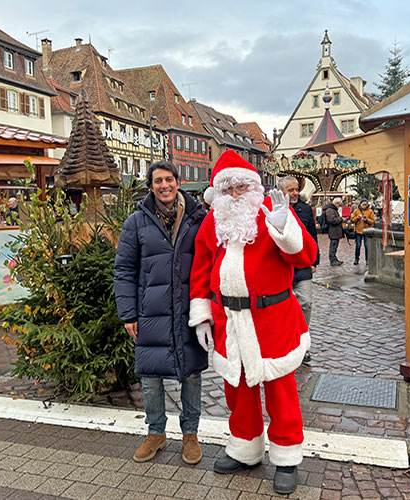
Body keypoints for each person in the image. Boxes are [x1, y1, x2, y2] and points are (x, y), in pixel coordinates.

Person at [188, 150, 318, 495]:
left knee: (280, 391)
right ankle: (245, 449)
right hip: (228, 320)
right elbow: (200, 268)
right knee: (237, 389)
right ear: (217, 192)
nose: (234, 194)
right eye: (228, 188)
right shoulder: (211, 222)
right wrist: (201, 315)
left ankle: (286, 458)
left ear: (253, 188)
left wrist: (284, 225)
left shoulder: (270, 215)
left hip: (271, 319)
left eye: (241, 186)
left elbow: (306, 256)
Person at [114, 160, 208, 465]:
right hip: (150, 311)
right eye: (158, 181)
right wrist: (129, 313)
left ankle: (190, 434)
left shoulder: (198, 219)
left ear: (178, 182)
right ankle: (156, 432)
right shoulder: (136, 222)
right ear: (151, 186)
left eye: (169, 180)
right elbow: (124, 270)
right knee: (150, 377)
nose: (164, 186)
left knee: (191, 375)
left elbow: (211, 262)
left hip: (188, 310)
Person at [278, 176, 319, 365]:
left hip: (302, 265)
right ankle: (286, 344)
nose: (295, 193)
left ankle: (303, 345)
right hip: (280, 266)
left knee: (306, 303)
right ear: (281, 192)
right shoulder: (273, 210)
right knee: (282, 307)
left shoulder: (304, 210)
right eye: (290, 190)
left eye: (296, 190)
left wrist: (314, 260)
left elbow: (312, 235)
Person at [350, 198, 376, 265]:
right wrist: (357, 218)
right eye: (363, 205)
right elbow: (352, 220)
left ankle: (367, 259)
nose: (364, 206)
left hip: (367, 231)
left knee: (367, 246)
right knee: (358, 246)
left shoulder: (370, 211)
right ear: (360, 205)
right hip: (358, 230)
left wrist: (367, 220)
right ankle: (356, 259)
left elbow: (373, 221)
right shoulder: (356, 211)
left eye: (365, 205)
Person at [322, 197, 344, 266]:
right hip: (333, 231)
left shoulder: (332, 209)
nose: (339, 206)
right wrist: (341, 219)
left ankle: (334, 259)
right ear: (336, 203)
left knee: (335, 246)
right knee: (333, 246)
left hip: (335, 231)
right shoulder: (330, 210)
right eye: (339, 205)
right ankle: (332, 260)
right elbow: (332, 220)